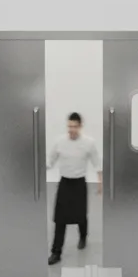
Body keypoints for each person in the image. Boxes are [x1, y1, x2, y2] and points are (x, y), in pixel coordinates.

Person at [46, 112, 102, 265]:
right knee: (60, 219)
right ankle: (56, 252)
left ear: (80, 126)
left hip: (79, 183)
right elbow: (50, 161)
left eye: (75, 126)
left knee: (81, 215)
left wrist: (100, 182)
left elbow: (97, 163)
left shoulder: (89, 143)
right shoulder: (59, 142)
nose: (71, 129)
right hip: (64, 183)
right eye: (69, 126)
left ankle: (83, 236)